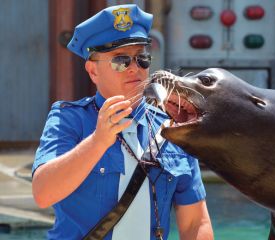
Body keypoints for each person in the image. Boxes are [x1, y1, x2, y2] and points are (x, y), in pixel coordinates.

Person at [32, 4, 213, 240]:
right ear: (93, 71)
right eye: (121, 61)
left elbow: (195, 223)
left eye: (142, 59)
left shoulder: (172, 127)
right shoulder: (69, 119)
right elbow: (43, 193)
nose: (134, 69)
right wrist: (97, 142)